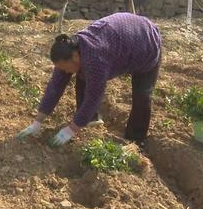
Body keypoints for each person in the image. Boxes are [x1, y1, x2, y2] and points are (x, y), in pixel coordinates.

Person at [18, 12, 162, 148]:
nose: (66, 72)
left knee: (142, 96)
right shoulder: (69, 50)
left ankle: (136, 140)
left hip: (146, 43)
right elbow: (55, 86)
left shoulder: (95, 59)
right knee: (82, 75)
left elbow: (94, 97)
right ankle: (90, 119)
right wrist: (37, 122)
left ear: (75, 57)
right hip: (121, 38)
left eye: (66, 68)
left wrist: (71, 129)